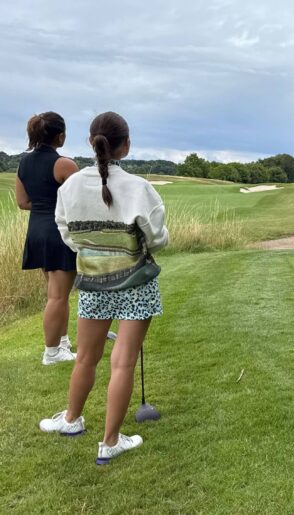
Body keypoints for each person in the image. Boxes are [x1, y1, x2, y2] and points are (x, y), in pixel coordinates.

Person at [40, 112, 169, 465]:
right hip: (135, 282)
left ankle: (71, 420)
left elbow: (68, 234)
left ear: (90, 141)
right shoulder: (139, 188)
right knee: (122, 362)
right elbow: (158, 239)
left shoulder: (69, 187)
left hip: (93, 280)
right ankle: (110, 441)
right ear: (125, 147)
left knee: (85, 356)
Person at [16, 112, 80, 364]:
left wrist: (44, 204)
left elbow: (23, 202)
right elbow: (79, 202)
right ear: (60, 135)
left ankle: (62, 344)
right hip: (58, 233)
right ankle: (51, 352)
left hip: (37, 231)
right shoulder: (65, 165)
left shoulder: (23, 163)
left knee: (55, 292)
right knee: (58, 295)